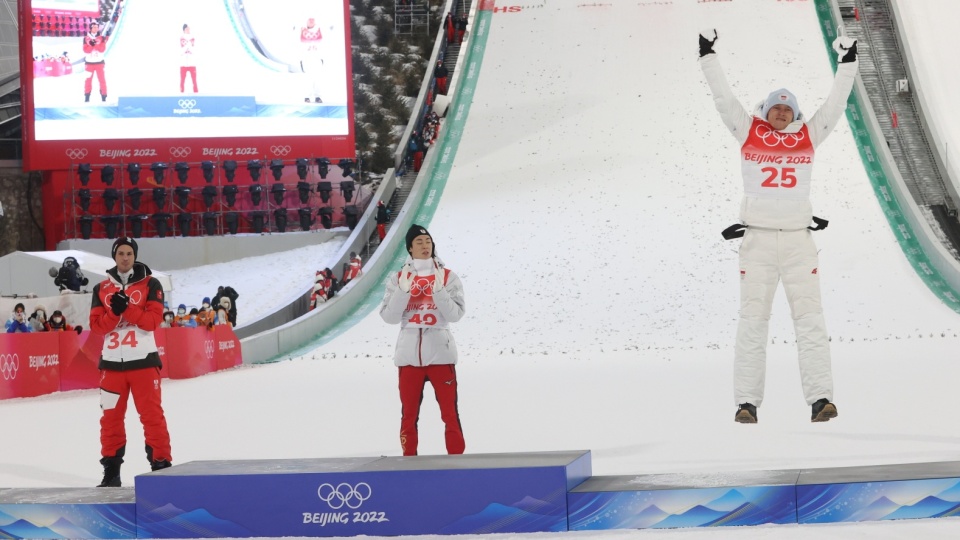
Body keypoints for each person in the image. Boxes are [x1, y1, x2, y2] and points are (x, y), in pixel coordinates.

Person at [698, 29, 859, 424]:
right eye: (776, 108)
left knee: (810, 319)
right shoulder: (747, 130)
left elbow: (835, 105)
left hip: (799, 243)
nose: (782, 112)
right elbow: (724, 99)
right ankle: (746, 403)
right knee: (753, 320)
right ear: (765, 111)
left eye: (788, 108)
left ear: (796, 114)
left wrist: (848, 63)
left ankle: (821, 400)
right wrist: (707, 56)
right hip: (757, 241)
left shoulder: (808, 134)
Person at [89, 237, 172, 487]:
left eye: (129, 253)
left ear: (135, 256)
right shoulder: (101, 288)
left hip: (144, 363)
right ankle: (111, 473)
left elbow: (152, 321)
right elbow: (96, 327)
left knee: (152, 417)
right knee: (110, 420)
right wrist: (115, 312)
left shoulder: (152, 283)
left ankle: (161, 469)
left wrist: (127, 309)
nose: (125, 258)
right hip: (112, 366)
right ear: (114, 256)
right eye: (121, 253)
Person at [379, 224, 466, 456]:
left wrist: (439, 292)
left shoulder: (448, 277)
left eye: (428, 242)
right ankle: (409, 462)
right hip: (408, 358)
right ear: (410, 248)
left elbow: (455, 315)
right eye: (419, 242)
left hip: (441, 355)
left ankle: (457, 462)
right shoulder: (398, 278)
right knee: (408, 414)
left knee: (449, 413)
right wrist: (402, 291)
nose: (425, 246)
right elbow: (389, 317)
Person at [299, 17, 324, 103]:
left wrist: (322, 57)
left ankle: (318, 97)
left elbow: (324, 44)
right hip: (306, 59)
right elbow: (298, 45)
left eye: (313, 19)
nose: (311, 20)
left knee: (317, 78)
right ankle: (307, 97)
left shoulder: (320, 30)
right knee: (308, 78)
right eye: (309, 19)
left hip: (317, 58)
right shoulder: (302, 30)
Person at [82, 21, 108, 102]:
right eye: (94, 27)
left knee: (102, 80)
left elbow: (102, 50)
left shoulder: (101, 38)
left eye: (97, 27)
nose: (96, 28)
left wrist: (95, 44)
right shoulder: (85, 38)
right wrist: (91, 45)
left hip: (99, 63)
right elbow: (85, 51)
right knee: (88, 80)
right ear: (91, 28)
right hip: (89, 63)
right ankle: (87, 97)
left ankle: (104, 97)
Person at [179, 23, 198, 93]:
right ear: (184, 30)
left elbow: (193, 50)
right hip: (183, 63)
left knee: (194, 81)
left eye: (189, 28)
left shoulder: (193, 37)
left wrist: (188, 46)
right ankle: (181, 94)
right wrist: (188, 46)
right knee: (182, 80)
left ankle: (196, 95)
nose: (189, 30)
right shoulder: (181, 38)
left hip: (192, 63)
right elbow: (181, 51)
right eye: (187, 29)